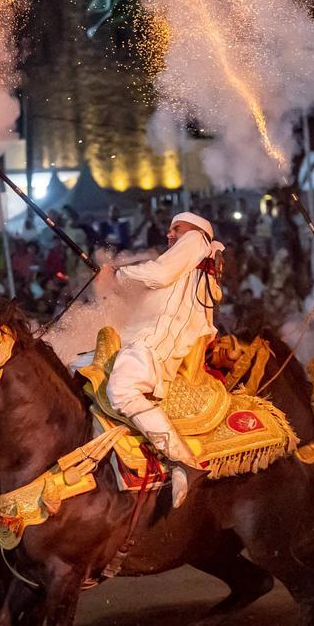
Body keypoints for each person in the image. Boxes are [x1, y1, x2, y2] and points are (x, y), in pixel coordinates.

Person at [106, 212, 224, 508]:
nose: (170, 234)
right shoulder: (193, 253)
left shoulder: (197, 239)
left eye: (176, 228)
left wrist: (119, 273)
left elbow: (158, 274)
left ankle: (183, 462)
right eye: (170, 229)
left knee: (122, 389)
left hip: (155, 342)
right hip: (145, 338)